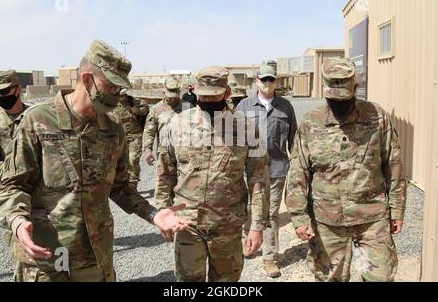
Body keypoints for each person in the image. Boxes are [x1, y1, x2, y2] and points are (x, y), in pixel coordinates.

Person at [0, 39, 191, 282]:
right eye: (111, 88)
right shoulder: (38, 121)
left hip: (95, 257)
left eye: (119, 89)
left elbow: (120, 188)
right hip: (49, 257)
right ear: (87, 79)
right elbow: (13, 185)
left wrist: (153, 214)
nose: (116, 96)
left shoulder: (113, 130)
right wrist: (17, 221)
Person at [286, 57, 407, 282]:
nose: (338, 104)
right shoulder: (311, 123)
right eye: (333, 99)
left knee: (381, 276)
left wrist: (397, 209)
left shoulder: (376, 116)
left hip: (373, 217)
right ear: (324, 90)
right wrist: (300, 217)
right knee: (330, 278)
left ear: (356, 89)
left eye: (344, 98)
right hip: (327, 220)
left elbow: (394, 164)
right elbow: (297, 173)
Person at [155, 66, 270, 282]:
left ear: (227, 93)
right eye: (203, 96)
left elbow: (259, 180)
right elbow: (165, 171)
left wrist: (257, 226)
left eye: (213, 96)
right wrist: (163, 210)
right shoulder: (177, 125)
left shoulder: (246, 127)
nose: (207, 101)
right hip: (187, 223)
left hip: (227, 225)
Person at [236, 64, 298, 278]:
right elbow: (233, 139)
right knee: (249, 209)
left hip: (276, 169)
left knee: (271, 214)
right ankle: (249, 241)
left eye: (271, 79)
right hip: (248, 170)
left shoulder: (285, 107)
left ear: (276, 81)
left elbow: (294, 140)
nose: (267, 83)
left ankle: (270, 257)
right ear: (256, 81)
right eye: (264, 79)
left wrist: (297, 169)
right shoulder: (243, 106)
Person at [0, 70, 29, 182]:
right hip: (12, 186)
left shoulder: (36, 116)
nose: (1, 96)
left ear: (19, 89)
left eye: (5, 91)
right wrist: (12, 175)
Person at [110, 89, 149, 188]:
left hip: (135, 135)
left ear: (124, 95)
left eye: (121, 96)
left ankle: (133, 185)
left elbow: (146, 109)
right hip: (119, 138)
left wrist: (137, 110)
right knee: (118, 162)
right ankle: (120, 184)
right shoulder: (111, 104)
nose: (119, 98)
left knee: (133, 160)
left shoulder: (135, 102)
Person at [142, 77, 182, 166]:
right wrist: (148, 150)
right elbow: (149, 131)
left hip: (184, 157)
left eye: (174, 96)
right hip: (164, 156)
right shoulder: (156, 109)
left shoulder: (187, 107)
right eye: (169, 96)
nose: (172, 99)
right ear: (163, 92)